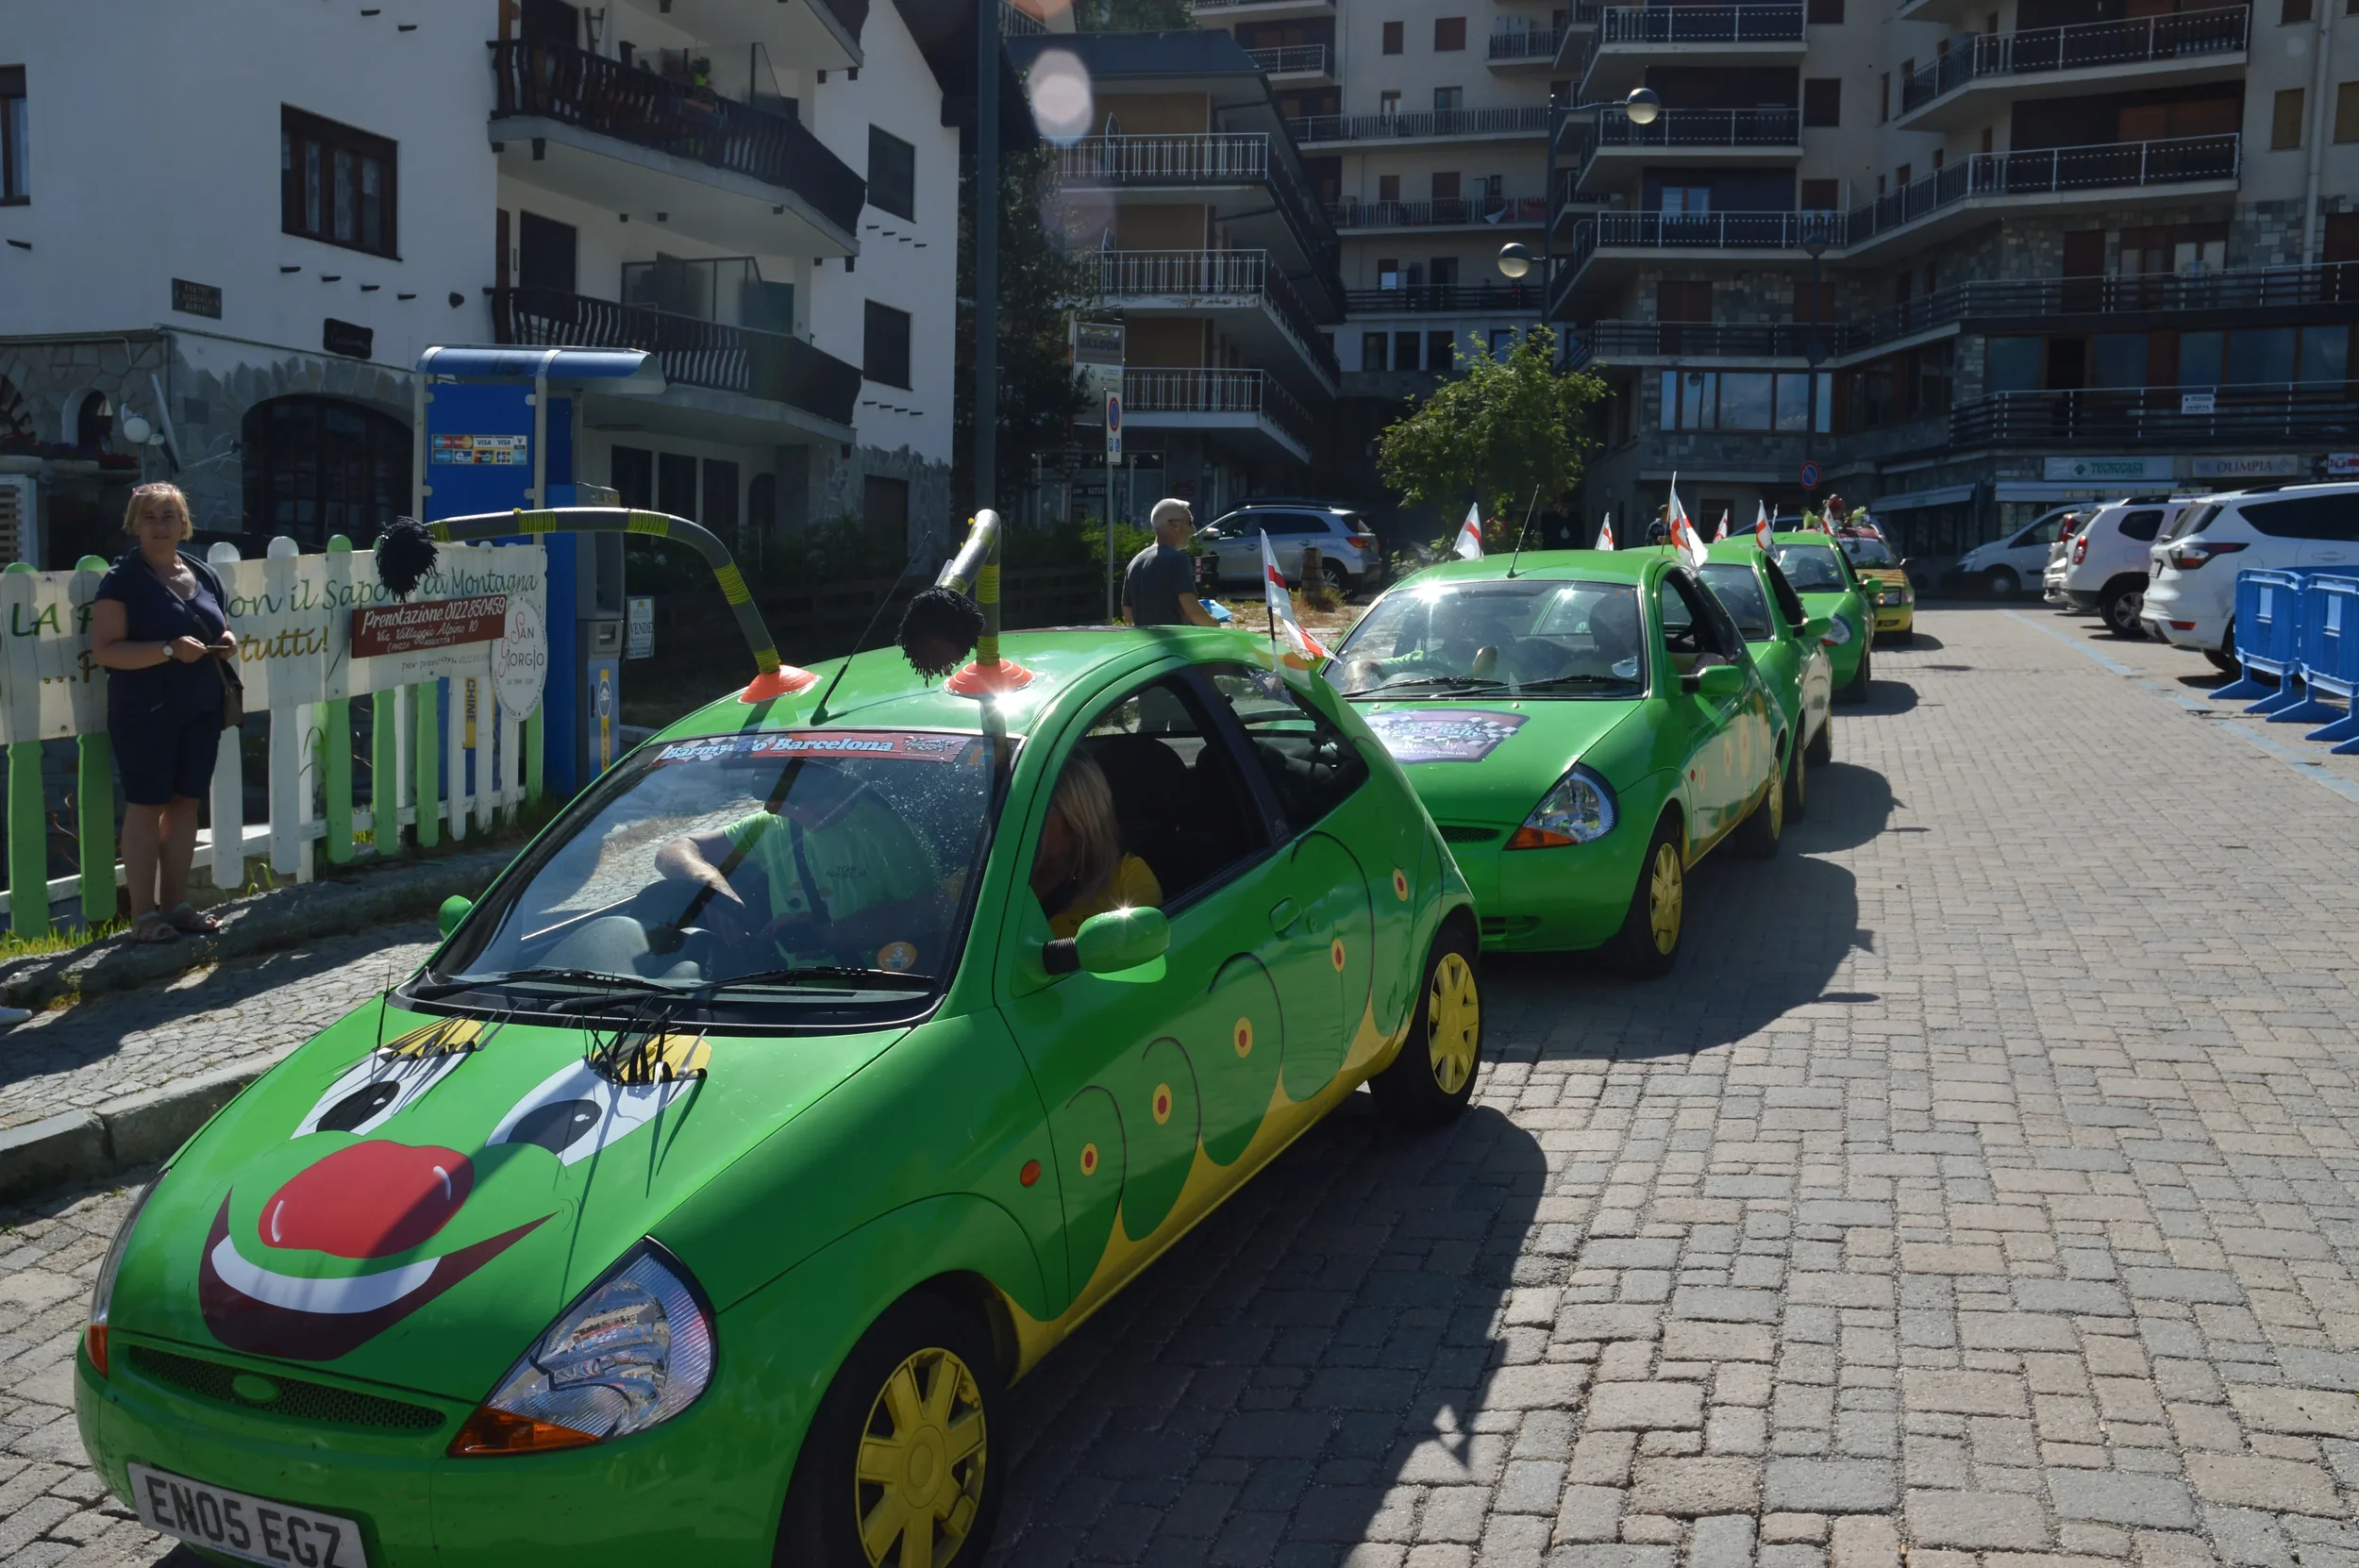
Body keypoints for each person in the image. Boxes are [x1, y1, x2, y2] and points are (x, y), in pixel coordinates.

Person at [90, 484, 239, 945]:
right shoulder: (122, 580)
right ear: (135, 524)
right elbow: (106, 652)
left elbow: (221, 622)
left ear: (184, 524)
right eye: (150, 516)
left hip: (200, 707)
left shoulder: (202, 573)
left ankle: (176, 905)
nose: (160, 525)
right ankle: (143, 915)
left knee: (186, 803)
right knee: (147, 805)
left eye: (169, 516)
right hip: (145, 711)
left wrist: (227, 640)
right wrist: (168, 649)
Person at [652, 766, 951, 973]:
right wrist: (708, 882)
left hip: (882, 989)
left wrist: (826, 936)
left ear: (831, 789)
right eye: (776, 803)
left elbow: (931, 915)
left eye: (787, 801)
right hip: (794, 988)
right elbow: (673, 850)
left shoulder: (889, 834)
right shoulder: (774, 827)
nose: (774, 809)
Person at [1030, 752, 1160, 941]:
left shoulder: (1127, 880)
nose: (1022, 823)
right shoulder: (993, 877)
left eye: (1037, 812)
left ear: (1077, 820)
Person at [1122, 497, 1218, 628]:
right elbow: (1194, 611)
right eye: (1190, 523)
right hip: (1174, 644)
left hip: (1145, 643)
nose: (1193, 530)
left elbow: (1128, 615)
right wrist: (1215, 625)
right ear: (1175, 525)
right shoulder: (1178, 560)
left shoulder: (1135, 562)